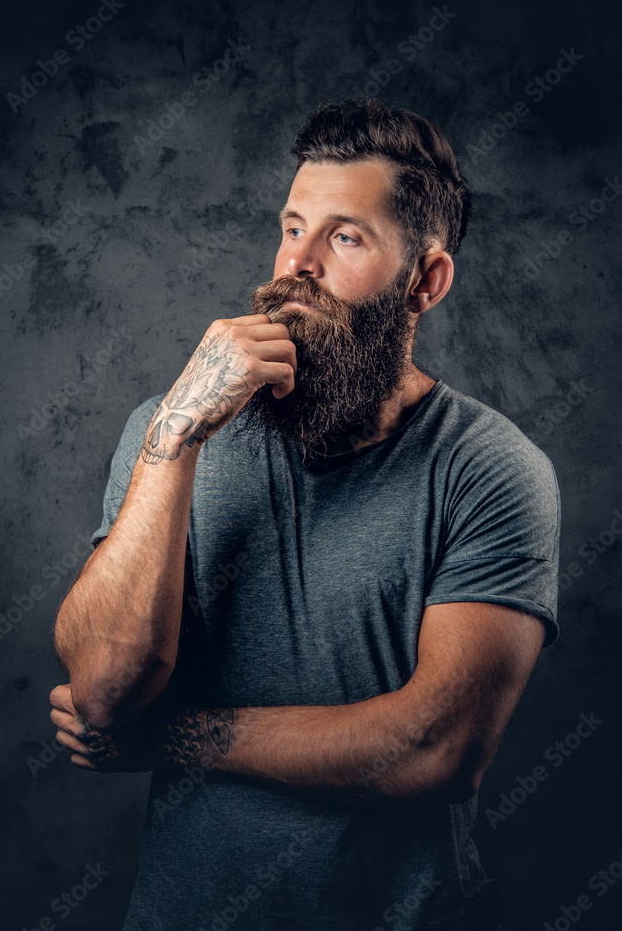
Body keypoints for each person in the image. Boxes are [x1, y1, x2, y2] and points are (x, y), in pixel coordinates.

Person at [49, 98, 560, 931]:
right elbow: (103, 694)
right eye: (292, 228)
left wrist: (175, 738)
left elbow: (438, 746)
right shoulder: (167, 429)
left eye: (344, 237)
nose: (297, 266)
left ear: (423, 281)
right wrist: (174, 437)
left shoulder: (491, 471)